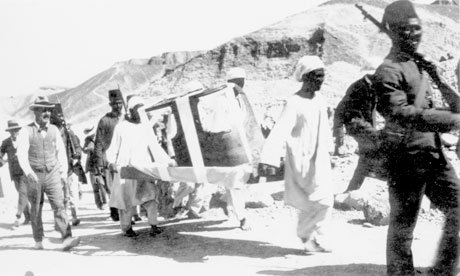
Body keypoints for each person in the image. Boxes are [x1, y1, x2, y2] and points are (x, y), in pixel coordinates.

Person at [375, 1, 460, 275]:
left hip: (433, 154)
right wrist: (451, 120)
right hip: (405, 158)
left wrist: (436, 75)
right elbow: (400, 113)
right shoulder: (388, 70)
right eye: (406, 30)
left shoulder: (420, 65)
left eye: (417, 28)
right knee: (403, 228)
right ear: (393, 31)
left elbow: (447, 106)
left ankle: (443, 270)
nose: (414, 35)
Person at [259, 55, 334, 253]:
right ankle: (308, 237)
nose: (321, 80)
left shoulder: (320, 100)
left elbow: (325, 129)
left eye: (323, 75)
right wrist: (269, 158)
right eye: (317, 76)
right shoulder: (294, 102)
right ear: (306, 77)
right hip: (301, 159)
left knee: (324, 200)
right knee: (314, 200)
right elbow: (280, 131)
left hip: (320, 159)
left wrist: (329, 151)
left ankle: (309, 236)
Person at [16, 96, 80, 251]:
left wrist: (63, 173)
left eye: (49, 110)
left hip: (52, 174)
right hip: (35, 175)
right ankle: (38, 239)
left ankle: (66, 238)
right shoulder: (26, 131)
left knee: (59, 206)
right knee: (36, 209)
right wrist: (29, 173)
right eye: (43, 110)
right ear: (36, 112)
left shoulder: (54, 129)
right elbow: (21, 155)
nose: (47, 113)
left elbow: (61, 153)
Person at [106, 96, 175, 237]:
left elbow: (155, 148)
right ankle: (127, 228)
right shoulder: (121, 127)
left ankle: (154, 225)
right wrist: (112, 161)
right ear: (131, 111)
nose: (141, 113)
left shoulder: (145, 127)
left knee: (150, 196)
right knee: (126, 200)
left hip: (144, 167)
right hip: (126, 168)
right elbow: (113, 148)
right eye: (138, 109)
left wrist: (168, 161)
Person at [94, 89, 125, 221]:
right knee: (113, 187)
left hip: (124, 157)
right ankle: (114, 212)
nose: (118, 106)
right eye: (115, 103)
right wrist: (100, 164)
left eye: (120, 103)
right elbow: (99, 143)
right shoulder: (105, 121)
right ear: (110, 104)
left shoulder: (126, 119)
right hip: (110, 159)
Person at [0, 120, 31, 228]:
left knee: (23, 193)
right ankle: (28, 217)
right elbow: (0, 154)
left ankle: (18, 217)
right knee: (22, 194)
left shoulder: (25, 141)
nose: (13, 133)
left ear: (18, 131)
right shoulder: (6, 142)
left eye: (15, 131)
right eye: (11, 131)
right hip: (14, 173)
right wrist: (2, 161)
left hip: (25, 172)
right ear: (9, 132)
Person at [83, 125, 107, 210]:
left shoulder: (100, 139)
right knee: (95, 186)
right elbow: (84, 149)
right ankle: (98, 204)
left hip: (99, 165)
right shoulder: (87, 140)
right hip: (92, 166)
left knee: (101, 184)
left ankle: (105, 202)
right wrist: (87, 149)